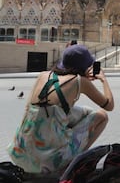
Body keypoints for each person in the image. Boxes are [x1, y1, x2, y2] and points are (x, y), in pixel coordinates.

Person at [8, 45, 114, 174]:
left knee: (79, 111)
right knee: (101, 116)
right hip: (50, 162)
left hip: (20, 154)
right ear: (86, 66)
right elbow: (109, 106)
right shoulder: (79, 81)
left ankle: (56, 141)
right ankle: (74, 160)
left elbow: (28, 109)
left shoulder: (43, 75)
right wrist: (103, 80)